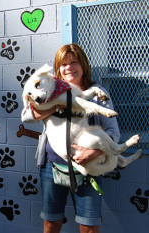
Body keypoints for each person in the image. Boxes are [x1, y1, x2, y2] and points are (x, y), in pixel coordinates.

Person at [21, 44, 120, 233]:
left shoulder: (98, 93)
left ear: (83, 65)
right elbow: (26, 116)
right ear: (57, 69)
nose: (69, 68)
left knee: (89, 226)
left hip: (88, 168)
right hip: (52, 167)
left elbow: (113, 132)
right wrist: (53, 107)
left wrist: (94, 152)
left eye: (74, 62)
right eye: (63, 64)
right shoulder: (47, 92)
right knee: (51, 223)